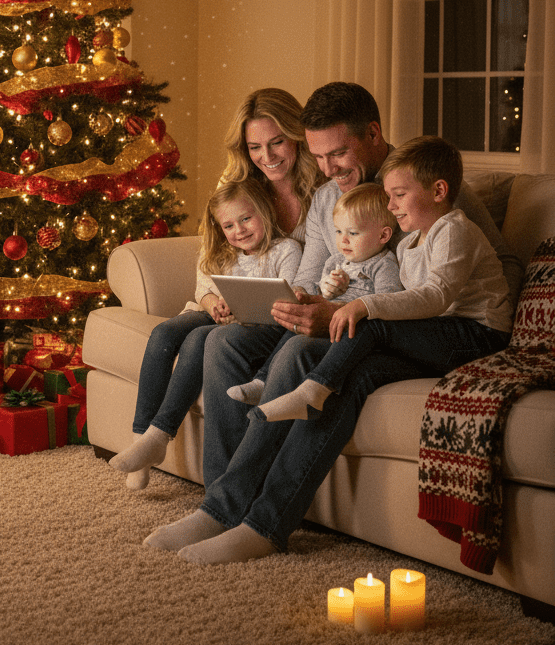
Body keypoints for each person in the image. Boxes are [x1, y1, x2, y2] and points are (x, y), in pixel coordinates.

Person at [143, 82, 522, 565]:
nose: (329, 169)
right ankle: (223, 507)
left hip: (434, 330)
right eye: (319, 157)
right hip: (355, 323)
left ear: (374, 135)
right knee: (227, 343)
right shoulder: (327, 198)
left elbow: (499, 265)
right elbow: (317, 273)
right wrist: (304, 302)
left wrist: (487, 323)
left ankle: (260, 522)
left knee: (314, 362)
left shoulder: (425, 186)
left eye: (339, 153)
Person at [255, 137, 511, 422]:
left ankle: (313, 389)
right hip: (441, 335)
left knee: (373, 324)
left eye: (399, 195)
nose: (390, 206)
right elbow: (409, 301)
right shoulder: (407, 243)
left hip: (481, 336)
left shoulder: (453, 230)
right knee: (364, 370)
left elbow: (436, 296)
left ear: (439, 191)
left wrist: (365, 305)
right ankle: (300, 440)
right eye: (389, 196)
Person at [108, 178, 302, 489]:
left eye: (246, 219)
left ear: (264, 212)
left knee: (198, 340)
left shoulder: (286, 250)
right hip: (212, 316)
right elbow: (203, 290)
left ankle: (159, 435)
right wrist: (213, 303)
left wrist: (239, 310)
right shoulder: (221, 251)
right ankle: (142, 438)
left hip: (251, 324)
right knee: (164, 333)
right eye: (229, 225)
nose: (238, 231)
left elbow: (287, 298)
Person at [228, 182, 401, 408]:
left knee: (298, 344)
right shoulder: (334, 261)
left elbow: (388, 301)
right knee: (294, 330)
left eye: (353, 233)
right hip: (325, 323)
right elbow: (320, 293)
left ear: (383, 235)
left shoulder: (383, 265)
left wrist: (349, 304)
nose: (343, 240)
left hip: (352, 331)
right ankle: (262, 380)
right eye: (338, 231)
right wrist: (326, 289)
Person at [220, 88, 324, 240]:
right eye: (255, 147)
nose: (267, 157)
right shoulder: (233, 183)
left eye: (277, 142)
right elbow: (214, 253)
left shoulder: (326, 181)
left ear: (297, 135)